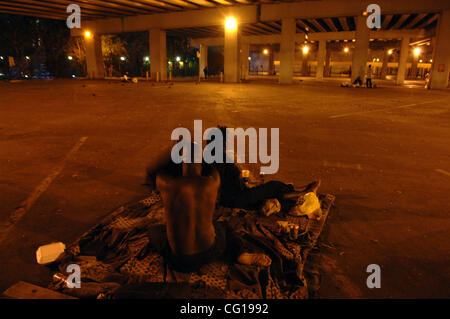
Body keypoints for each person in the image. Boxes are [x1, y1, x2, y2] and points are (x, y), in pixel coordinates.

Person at [146, 143, 272, 273]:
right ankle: (241, 255)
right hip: (211, 252)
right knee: (223, 227)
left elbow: (153, 171)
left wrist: (176, 150)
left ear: (180, 160)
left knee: (153, 231)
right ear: (201, 160)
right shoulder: (213, 182)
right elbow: (211, 166)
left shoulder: (167, 184)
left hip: (180, 261)